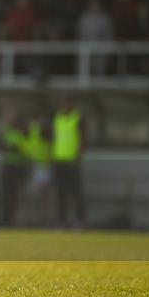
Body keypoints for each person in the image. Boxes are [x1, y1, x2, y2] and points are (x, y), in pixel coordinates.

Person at [52, 98, 86, 228]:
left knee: (75, 192)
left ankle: (79, 220)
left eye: (67, 103)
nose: (64, 106)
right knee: (61, 192)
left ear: (72, 104)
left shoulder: (77, 118)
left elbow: (83, 138)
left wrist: (78, 155)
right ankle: (61, 220)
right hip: (59, 159)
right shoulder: (58, 118)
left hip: (72, 160)